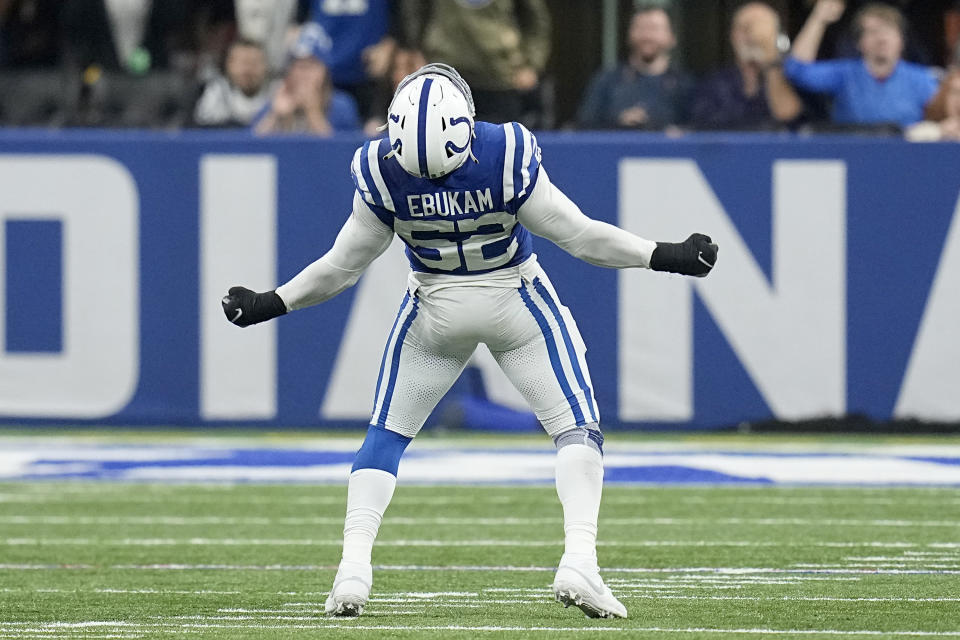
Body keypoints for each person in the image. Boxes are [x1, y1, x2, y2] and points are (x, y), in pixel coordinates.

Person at [221, 63, 718, 620]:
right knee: (575, 427)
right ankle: (579, 557)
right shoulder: (503, 152)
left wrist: (270, 302)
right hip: (515, 300)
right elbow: (578, 236)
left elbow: (340, 268)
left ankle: (352, 570)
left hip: (434, 309)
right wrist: (665, 254)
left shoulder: (381, 169)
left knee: (385, 435)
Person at [785, 0, 939, 128]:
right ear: (859, 42)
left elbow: (943, 115)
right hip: (853, 155)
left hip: (906, 157)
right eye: (873, 32)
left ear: (902, 40)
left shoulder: (922, 79)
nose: (882, 39)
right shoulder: (845, 74)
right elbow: (796, 70)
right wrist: (819, 18)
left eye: (888, 31)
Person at [397, 0, 551, 124]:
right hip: (445, 71)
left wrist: (531, 65)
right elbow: (415, 9)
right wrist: (415, 50)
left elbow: (536, 19)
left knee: (500, 154)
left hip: (499, 76)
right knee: (440, 152)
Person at [691, 2, 805, 130]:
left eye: (763, 29)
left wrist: (770, 58)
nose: (753, 37)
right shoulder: (714, 83)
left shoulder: (792, 77)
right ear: (733, 35)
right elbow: (705, 127)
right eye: (746, 28)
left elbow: (791, 119)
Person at [577, 5, 693, 130]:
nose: (647, 36)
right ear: (629, 34)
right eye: (641, 28)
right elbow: (584, 126)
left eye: (654, 29)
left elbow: (698, 130)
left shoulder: (685, 85)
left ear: (672, 37)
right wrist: (617, 124)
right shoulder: (607, 81)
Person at [252, 39, 360, 135]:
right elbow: (251, 148)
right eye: (298, 66)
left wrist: (313, 113)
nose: (304, 74)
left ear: (325, 72)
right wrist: (274, 115)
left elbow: (343, 150)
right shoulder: (275, 101)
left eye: (311, 65)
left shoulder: (341, 105)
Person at [193, 38, 277, 127]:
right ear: (229, 65)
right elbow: (203, 127)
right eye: (242, 63)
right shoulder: (217, 91)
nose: (248, 70)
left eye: (254, 63)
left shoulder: (277, 92)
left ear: (266, 66)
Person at [907, 67, 960, 140]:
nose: (959, 100)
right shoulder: (929, 129)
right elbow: (909, 137)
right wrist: (940, 131)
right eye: (955, 92)